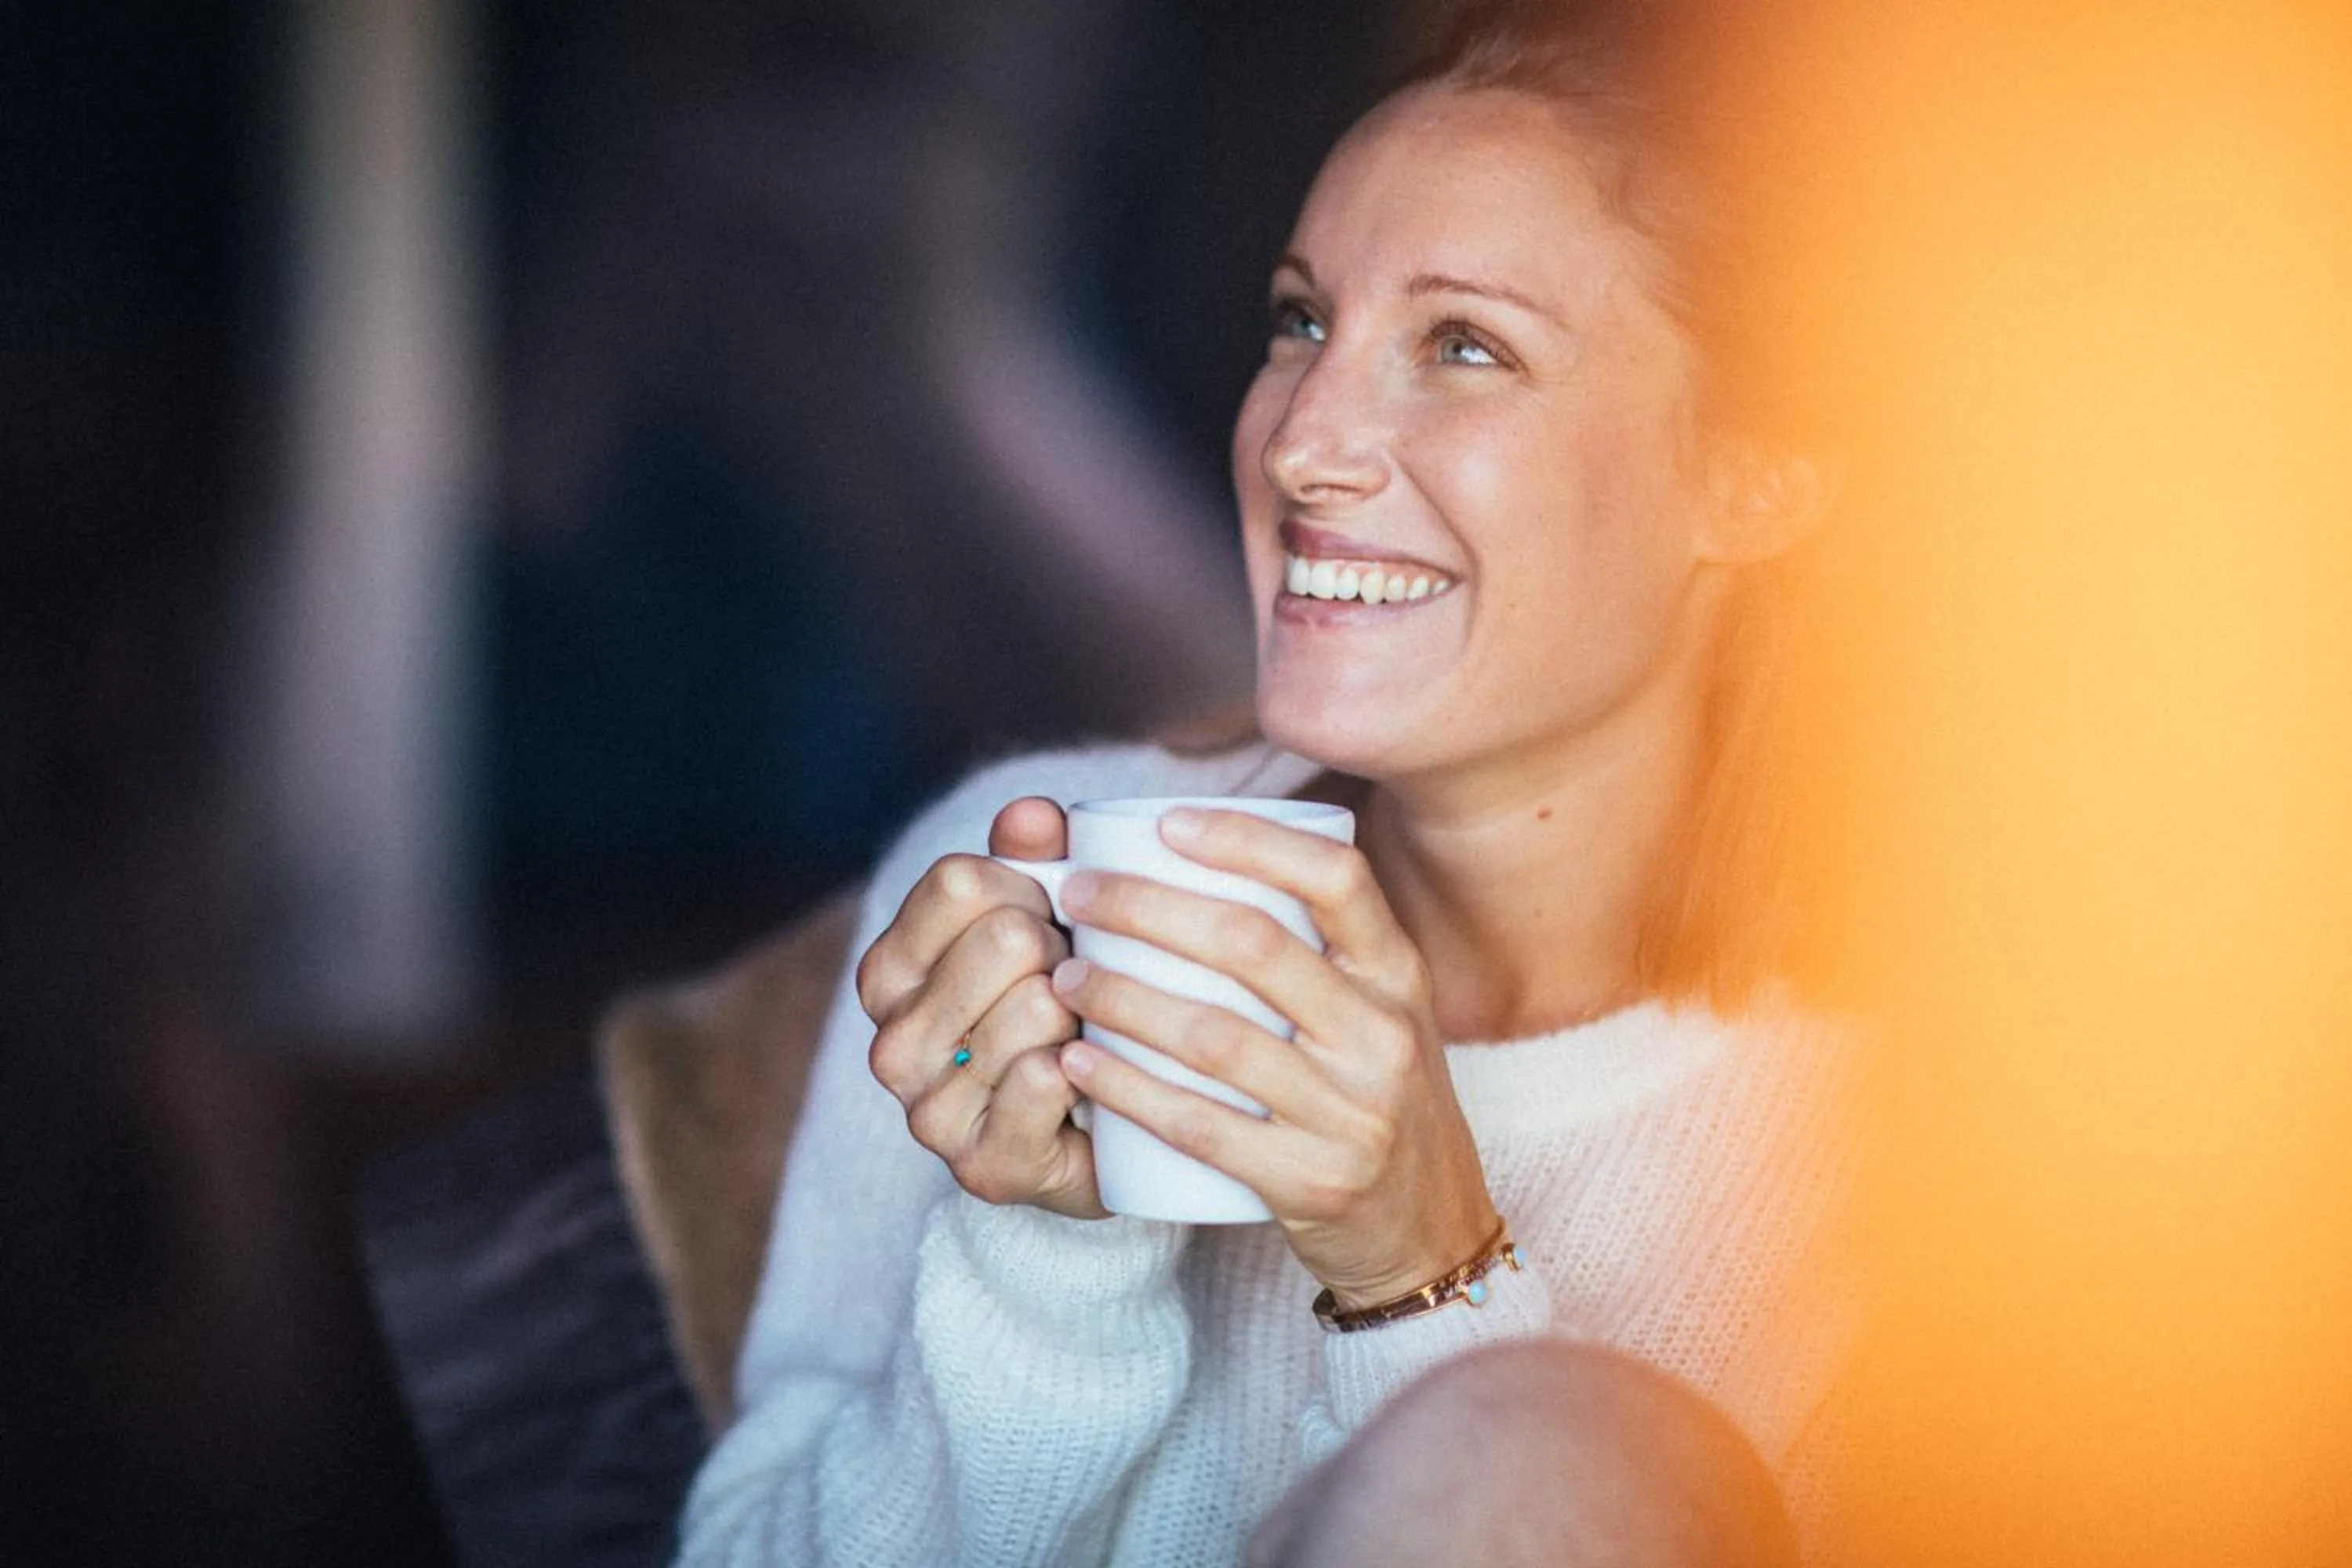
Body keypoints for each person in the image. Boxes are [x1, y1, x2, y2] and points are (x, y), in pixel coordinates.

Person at [677, 2, 1860, 1562]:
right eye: (1302, 321)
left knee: (1565, 1450)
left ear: (1755, 475)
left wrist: (1429, 1282)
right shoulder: (1017, 881)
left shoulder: (1946, 1148)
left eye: (1464, 346)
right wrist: (1042, 1253)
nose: (1301, 444)